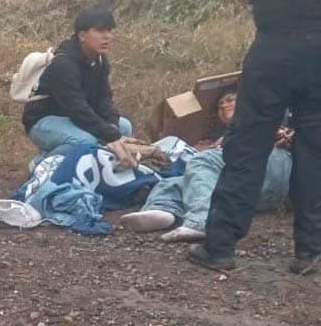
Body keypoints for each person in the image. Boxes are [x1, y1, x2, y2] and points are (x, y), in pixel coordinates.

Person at [188, 0, 321, 274]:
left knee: (248, 142)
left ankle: (220, 246)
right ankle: (310, 251)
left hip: (276, 47)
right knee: (316, 148)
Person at [120, 89, 293, 242]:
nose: (225, 105)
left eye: (231, 99)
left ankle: (201, 220)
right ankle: (164, 210)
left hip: (278, 164)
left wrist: (277, 133)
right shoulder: (213, 139)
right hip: (249, 191)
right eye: (220, 104)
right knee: (176, 181)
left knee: (202, 161)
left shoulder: (268, 113)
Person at [22, 6, 139, 168]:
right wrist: (108, 133)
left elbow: (104, 98)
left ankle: (97, 167)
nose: (107, 37)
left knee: (124, 127)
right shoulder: (63, 64)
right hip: (43, 121)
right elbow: (76, 108)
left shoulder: (99, 61)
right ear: (82, 35)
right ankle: (41, 164)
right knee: (84, 142)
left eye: (109, 31)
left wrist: (112, 125)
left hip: (72, 118)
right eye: (99, 31)